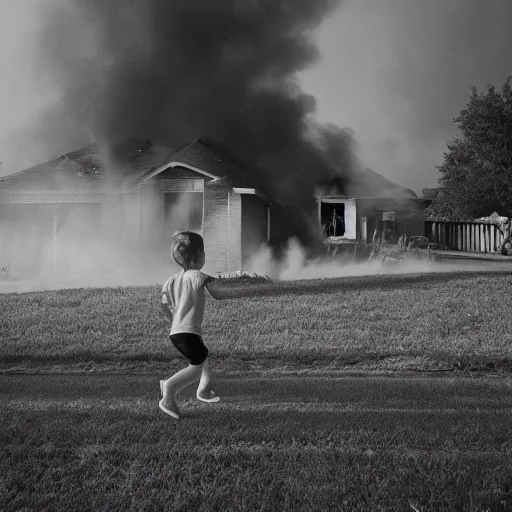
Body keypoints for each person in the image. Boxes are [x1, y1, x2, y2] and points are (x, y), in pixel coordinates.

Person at [159, 231, 229, 420]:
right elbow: (220, 294)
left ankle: (204, 390)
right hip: (188, 333)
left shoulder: (172, 280)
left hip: (177, 331)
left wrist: (173, 320)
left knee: (203, 355)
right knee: (197, 365)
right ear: (200, 256)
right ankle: (169, 389)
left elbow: (164, 304)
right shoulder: (198, 276)